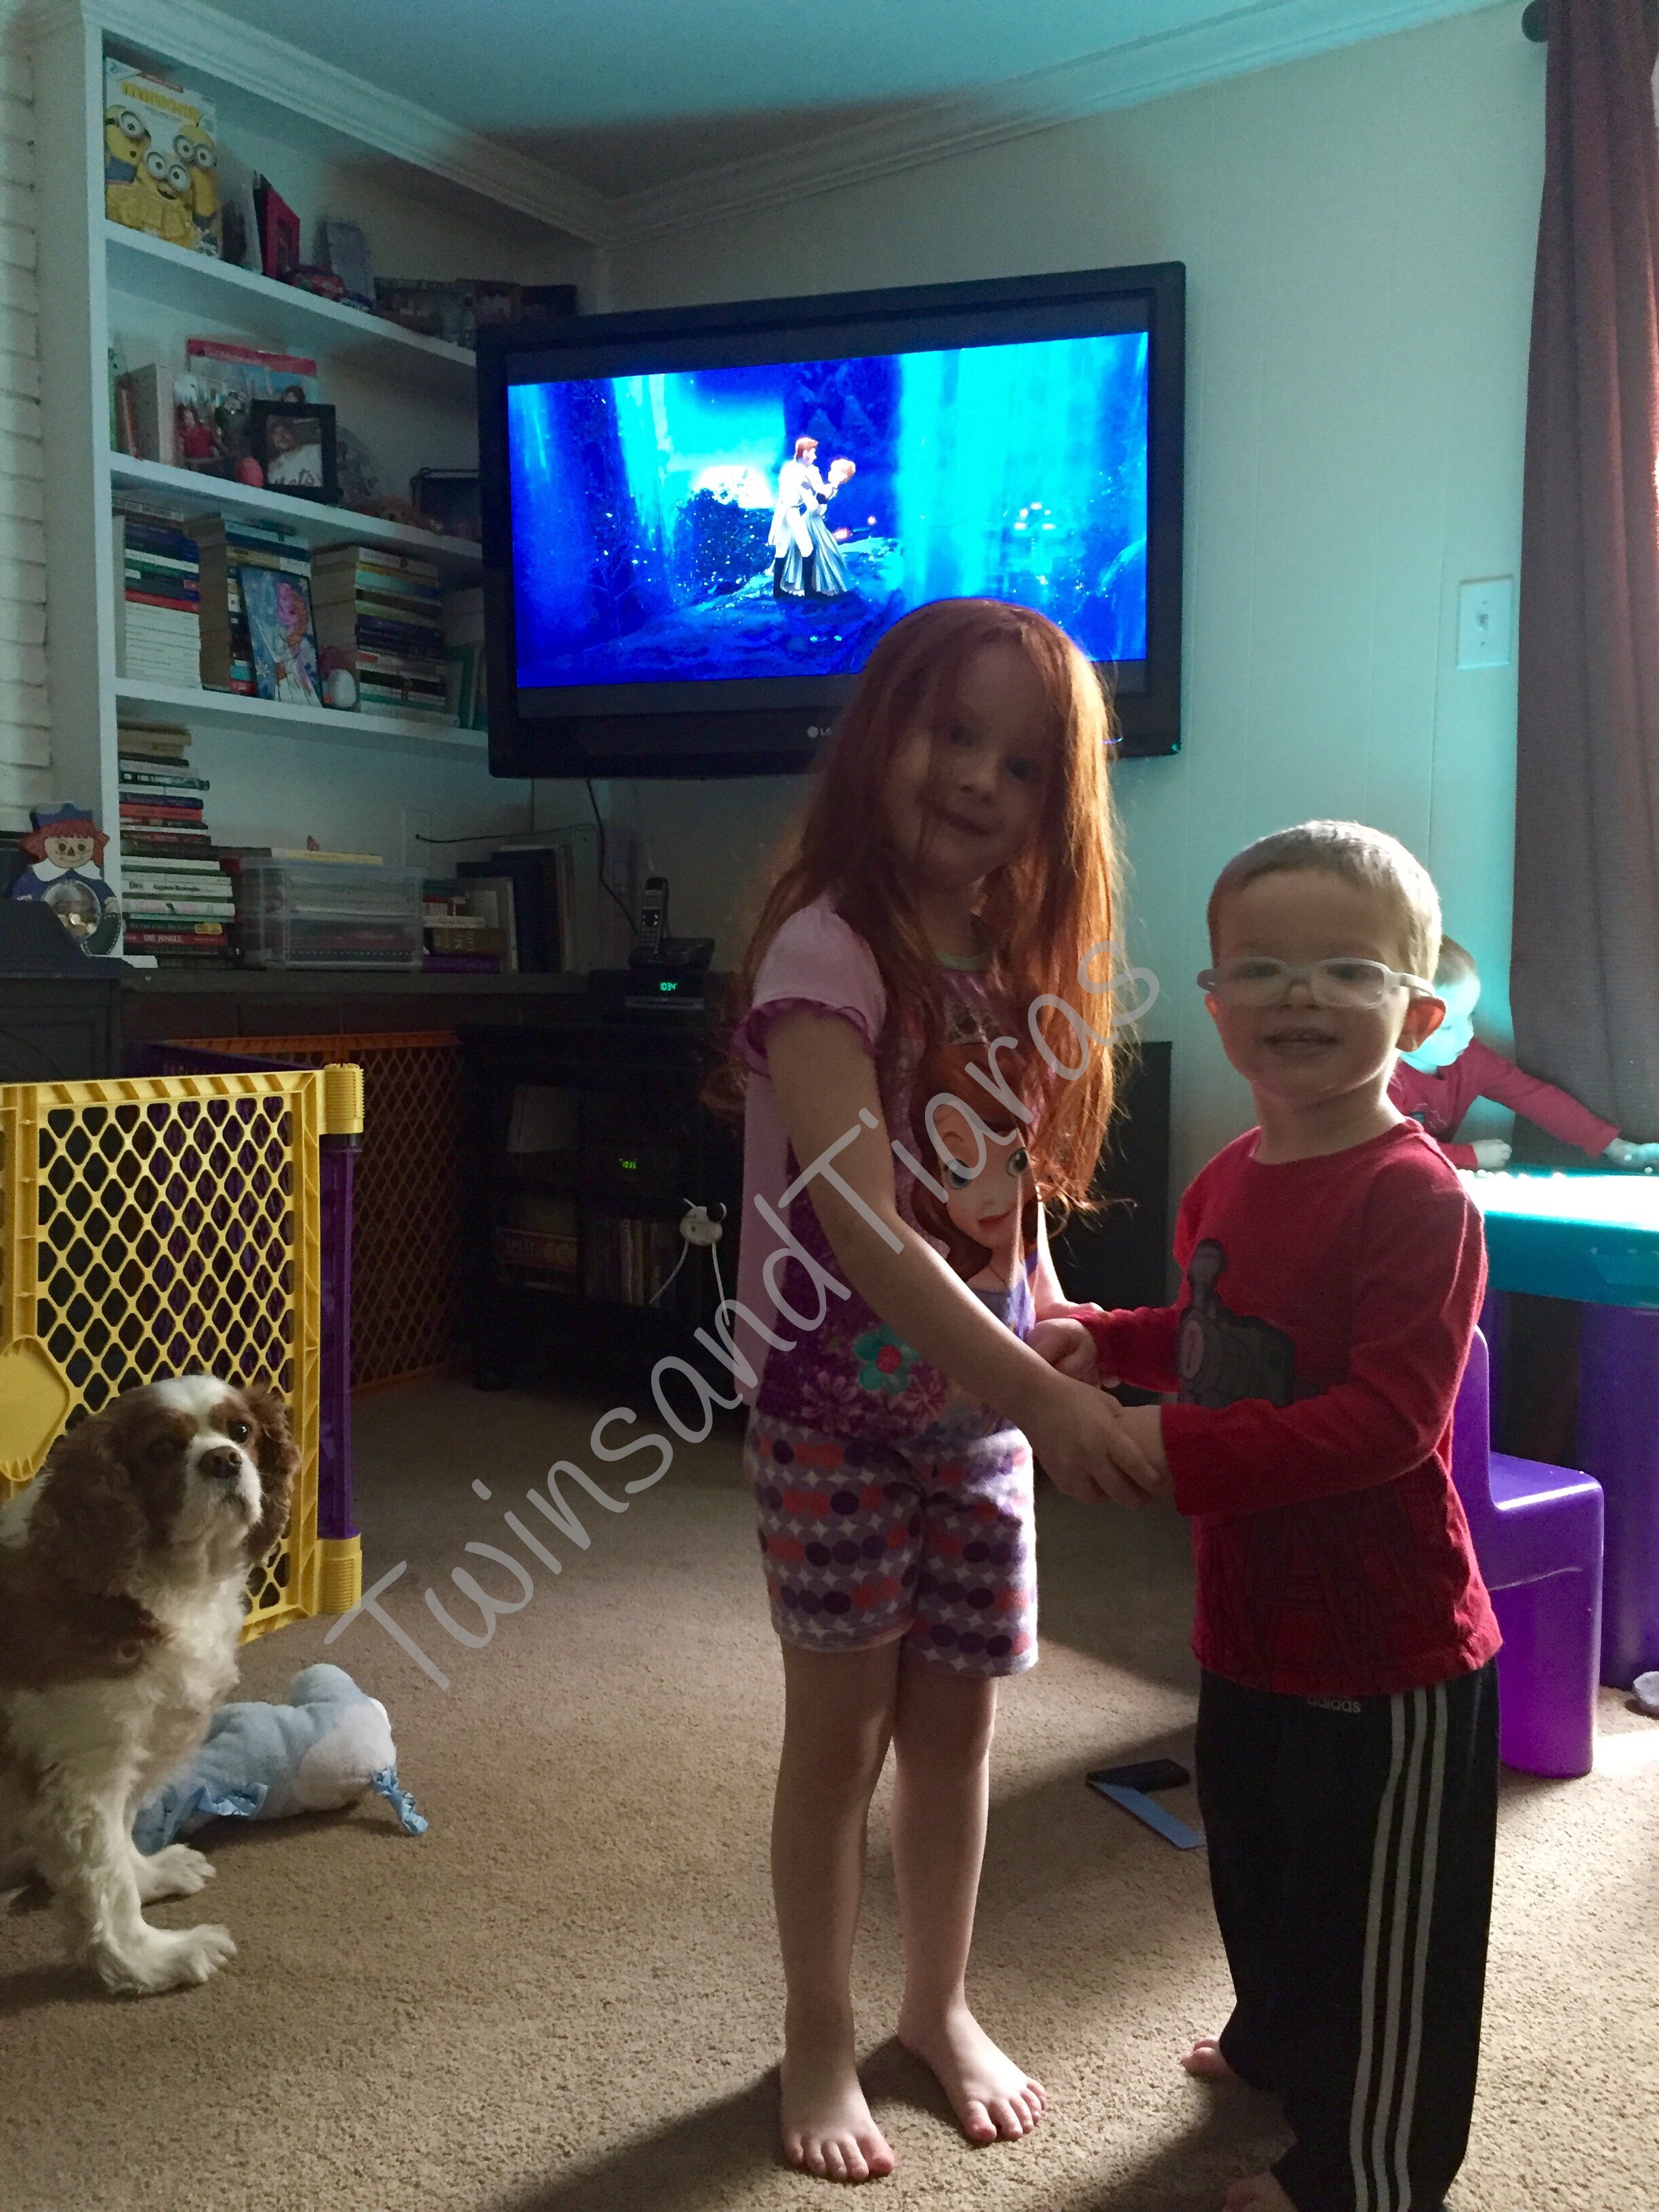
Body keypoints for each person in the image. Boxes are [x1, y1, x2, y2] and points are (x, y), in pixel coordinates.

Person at [713, 596, 1160, 2183]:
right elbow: (865, 1225)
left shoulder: (1014, 964)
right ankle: (818, 2031)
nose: (979, 777)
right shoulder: (823, 949)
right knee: (839, 1741)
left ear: (1057, 803)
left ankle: (937, 2005)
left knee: (958, 1735)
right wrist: (1042, 1399)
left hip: (975, 1422)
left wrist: (1050, 1317)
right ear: (879, 732)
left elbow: (993, 1190)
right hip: (831, 1416)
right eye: (950, 733)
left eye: (1022, 764)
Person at [1038, 821, 1502, 2212]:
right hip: (1245, 1625)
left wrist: (1171, 1447)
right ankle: (1285, 2043)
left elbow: (1384, 1424)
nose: (1302, 993)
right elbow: (1216, 1333)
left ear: (1415, 1016)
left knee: (1384, 1924)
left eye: (1349, 969)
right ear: (1215, 999)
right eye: (1264, 967)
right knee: (1262, 1864)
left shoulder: (1415, 1196)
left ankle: (1372, 2172)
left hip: (1386, 1648)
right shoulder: (1224, 1178)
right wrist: (1113, 1340)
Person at [1389, 934, 1659, 1171]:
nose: (1467, 1034)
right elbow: (1392, 1151)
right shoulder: (1383, 1083)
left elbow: (1532, 1096)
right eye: (1447, 1026)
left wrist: (1612, 1145)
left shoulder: (1469, 1059)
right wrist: (1468, 1156)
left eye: (1470, 1016)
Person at [769, 436, 851, 600]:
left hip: (786, 510)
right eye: (812, 452)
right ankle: (807, 591)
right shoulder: (801, 471)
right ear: (805, 453)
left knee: (784, 549)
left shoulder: (794, 468)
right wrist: (822, 502)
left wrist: (830, 489)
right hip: (790, 512)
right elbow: (813, 495)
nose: (815, 456)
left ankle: (780, 590)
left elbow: (815, 493)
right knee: (805, 548)